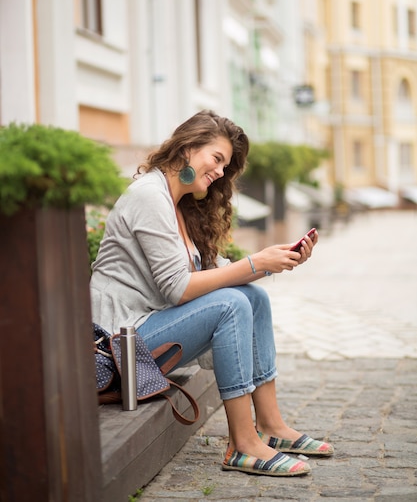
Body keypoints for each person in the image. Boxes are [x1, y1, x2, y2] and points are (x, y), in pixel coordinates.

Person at [90, 110, 334, 477]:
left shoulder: (179, 205)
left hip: (146, 331)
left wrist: (275, 261)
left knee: (253, 297)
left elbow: (219, 274)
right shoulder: (148, 197)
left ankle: (270, 425)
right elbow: (178, 289)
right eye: (217, 159)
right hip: (117, 345)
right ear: (186, 148)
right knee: (232, 303)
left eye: (226, 166)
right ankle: (243, 443)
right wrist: (255, 262)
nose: (220, 172)